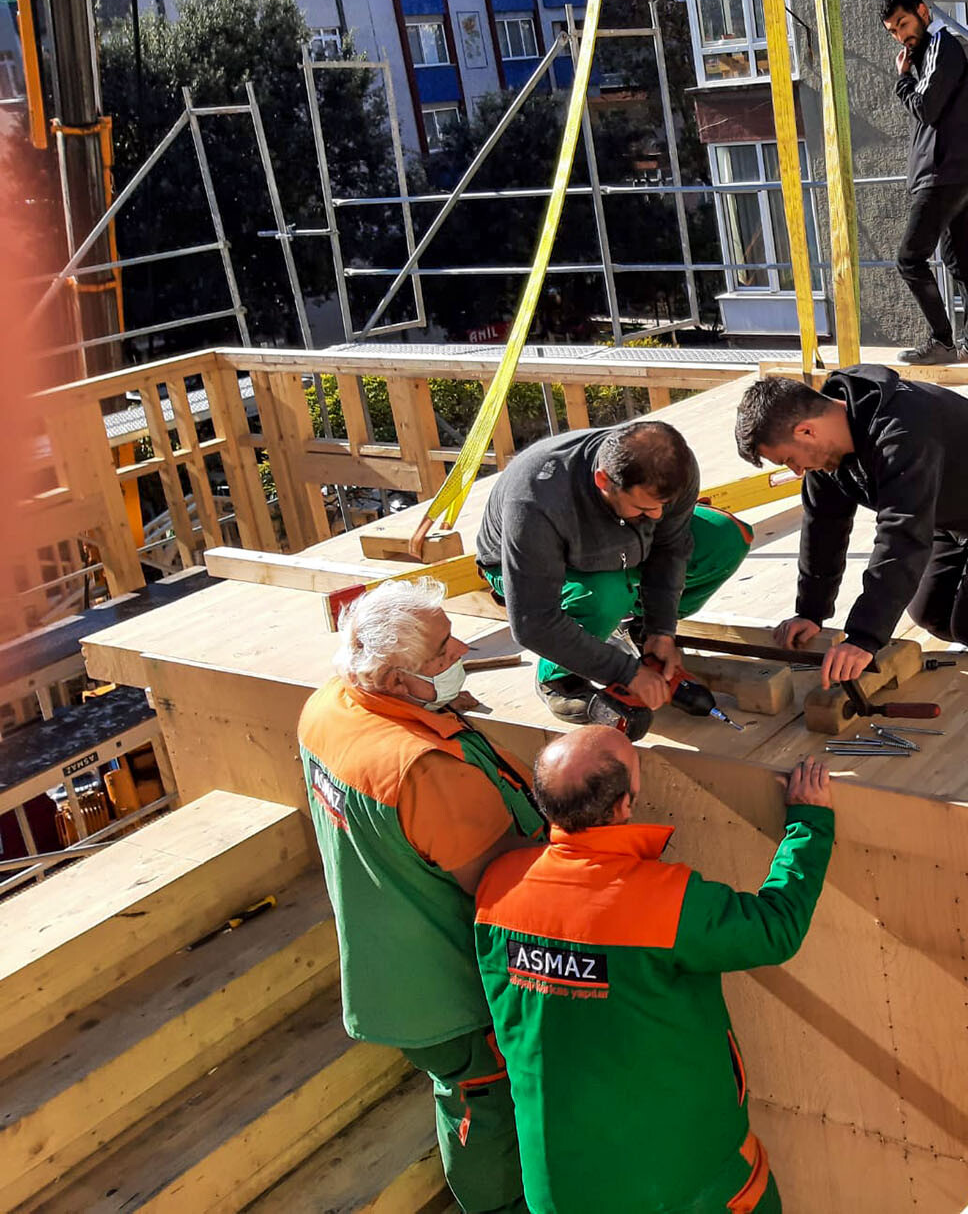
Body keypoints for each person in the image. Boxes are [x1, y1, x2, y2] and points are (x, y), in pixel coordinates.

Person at [475, 728, 834, 1214]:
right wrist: (808, 825)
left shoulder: (499, 886)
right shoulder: (666, 901)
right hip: (689, 1183)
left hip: (563, 1184)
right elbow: (776, 928)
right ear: (625, 805)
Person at [298, 577, 545, 1214]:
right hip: (452, 996)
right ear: (398, 680)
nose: (460, 648)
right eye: (442, 650)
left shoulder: (329, 707)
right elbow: (510, 897)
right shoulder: (424, 774)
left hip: (390, 964)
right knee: (480, 1104)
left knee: (462, 1094)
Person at [732, 370, 968, 686]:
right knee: (933, 617)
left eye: (789, 460)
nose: (797, 471)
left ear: (806, 432)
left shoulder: (903, 430)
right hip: (952, 508)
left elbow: (901, 536)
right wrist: (810, 612)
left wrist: (863, 637)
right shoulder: (828, 451)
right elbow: (823, 525)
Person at [475, 418, 752, 724]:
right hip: (532, 568)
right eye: (645, 509)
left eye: (662, 506)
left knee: (725, 538)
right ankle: (558, 679)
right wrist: (626, 672)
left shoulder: (674, 467)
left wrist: (661, 629)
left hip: (620, 547)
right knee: (604, 596)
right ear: (603, 481)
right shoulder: (536, 499)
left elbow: (670, 547)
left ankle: (635, 629)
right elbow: (532, 622)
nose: (657, 516)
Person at [882, 0, 968, 366]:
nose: (901, 35)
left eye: (903, 23)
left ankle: (942, 340)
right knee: (959, 260)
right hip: (955, 173)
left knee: (909, 260)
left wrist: (902, 79)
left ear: (924, 12)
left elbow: (925, 108)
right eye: (893, 31)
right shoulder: (929, 53)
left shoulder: (941, 47)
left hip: (942, 174)